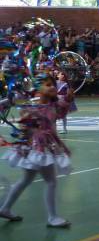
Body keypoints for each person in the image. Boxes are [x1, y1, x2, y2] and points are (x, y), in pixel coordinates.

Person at [0, 79, 74, 227]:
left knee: (26, 180)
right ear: (38, 88)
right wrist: (8, 101)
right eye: (48, 84)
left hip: (36, 147)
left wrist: (68, 98)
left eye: (53, 84)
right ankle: (52, 218)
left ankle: (5, 208)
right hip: (37, 147)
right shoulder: (30, 103)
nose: (52, 87)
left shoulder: (54, 105)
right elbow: (9, 106)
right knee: (51, 182)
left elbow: (63, 106)